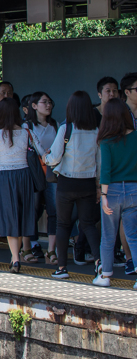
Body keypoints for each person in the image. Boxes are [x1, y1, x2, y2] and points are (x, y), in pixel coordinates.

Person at [42, 91, 100, 279]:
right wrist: (98, 186)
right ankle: (100, 264)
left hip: (67, 182)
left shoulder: (66, 128)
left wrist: (46, 158)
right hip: (88, 183)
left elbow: (55, 157)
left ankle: (61, 268)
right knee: (89, 224)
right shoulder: (95, 131)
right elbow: (99, 161)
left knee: (63, 224)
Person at [0, 99, 38, 273]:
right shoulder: (26, 132)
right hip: (25, 176)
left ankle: (15, 259)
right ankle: (16, 255)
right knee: (21, 216)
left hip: (5, 178)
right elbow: (43, 151)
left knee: (9, 217)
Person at [92, 99, 137, 287]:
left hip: (112, 191)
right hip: (134, 190)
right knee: (134, 235)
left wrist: (103, 196)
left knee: (109, 235)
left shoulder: (107, 141)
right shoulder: (136, 136)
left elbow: (106, 171)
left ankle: (106, 275)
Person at [25, 91, 58, 264]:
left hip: (52, 174)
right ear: (34, 106)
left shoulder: (56, 126)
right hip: (35, 174)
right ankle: (30, 244)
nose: (48, 105)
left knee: (53, 210)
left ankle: (51, 250)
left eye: (50, 102)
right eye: (44, 102)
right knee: (34, 210)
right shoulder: (27, 127)